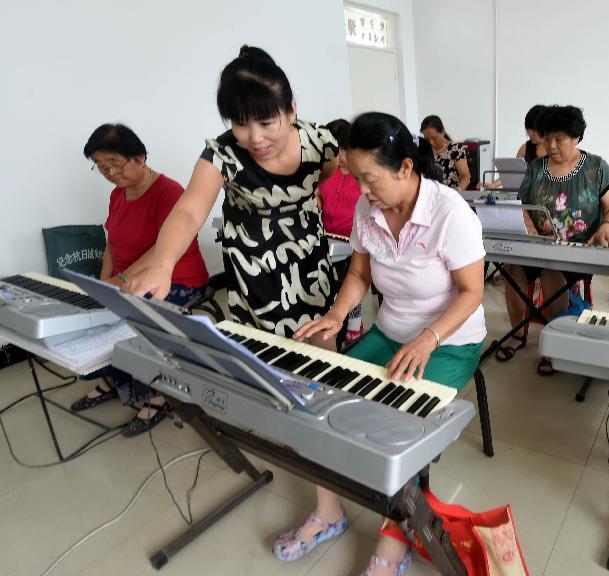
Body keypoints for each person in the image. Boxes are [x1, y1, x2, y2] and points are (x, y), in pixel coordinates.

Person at [282, 112, 487, 576]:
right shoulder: (367, 209)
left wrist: (428, 338)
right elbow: (358, 272)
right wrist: (336, 315)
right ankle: (329, 510)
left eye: (370, 179)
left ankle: (394, 542)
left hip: (448, 341)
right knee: (320, 402)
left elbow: (473, 292)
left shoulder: (450, 213)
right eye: (356, 179)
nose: (362, 191)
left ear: (406, 168)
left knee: (396, 428)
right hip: (390, 332)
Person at [126, 46, 339, 350]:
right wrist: (162, 264)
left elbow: (328, 172)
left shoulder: (319, 142)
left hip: (308, 259)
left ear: (291, 110)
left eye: (266, 122)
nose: (255, 137)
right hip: (253, 270)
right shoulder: (222, 154)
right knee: (265, 357)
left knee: (321, 347)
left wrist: (313, 191)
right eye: (240, 123)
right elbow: (188, 212)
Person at [71, 123, 209, 436]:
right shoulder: (117, 195)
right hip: (125, 278)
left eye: (116, 165)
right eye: (102, 167)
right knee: (94, 315)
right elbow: (112, 241)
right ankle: (112, 376)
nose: (110, 173)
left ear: (140, 157)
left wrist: (120, 279)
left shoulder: (169, 191)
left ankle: (158, 392)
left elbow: (161, 249)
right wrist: (105, 277)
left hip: (178, 279)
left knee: (128, 320)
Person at [495, 105, 609, 375]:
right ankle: (518, 333)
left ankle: (555, 343)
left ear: (576, 138)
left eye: (559, 139)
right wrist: (528, 226)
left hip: (578, 250)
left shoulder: (596, 167)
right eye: (546, 137)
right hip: (537, 245)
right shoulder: (536, 169)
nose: (551, 145)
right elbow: (524, 205)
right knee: (513, 267)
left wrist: (607, 226)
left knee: (550, 267)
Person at [320, 118, 364, 344]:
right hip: (328, 238)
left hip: (354, 240)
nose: (338, 157)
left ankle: (354, 319)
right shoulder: (327, 171)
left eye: (341, 151)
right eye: (333, 151)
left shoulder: (362, 175)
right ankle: (330, 314)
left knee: (350, 270)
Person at [483, 104, 547, 190]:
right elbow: (513, 172)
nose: (530, 134)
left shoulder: (555, 150)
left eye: (534, 130)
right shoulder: (524, 148)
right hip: (529, 195)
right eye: (528, 130)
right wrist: (493, 185)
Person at [420, 115, 471, 190]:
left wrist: (457, 191)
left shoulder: (455, 150)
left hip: (450, 195)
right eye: (427, 139)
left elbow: (465, 177)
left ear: (443, 132)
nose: (431, 142)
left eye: (434, 138)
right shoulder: (423, 150)